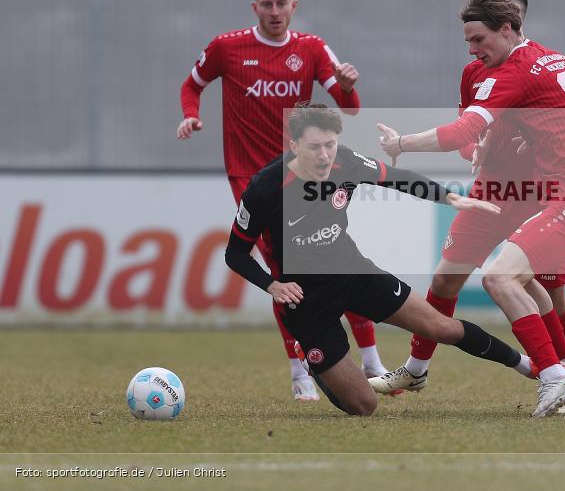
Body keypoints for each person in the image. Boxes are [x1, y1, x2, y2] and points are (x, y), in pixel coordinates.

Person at [369, 0, 565, 416]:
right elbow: (470, 137)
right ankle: (422, 369)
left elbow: (460, 130)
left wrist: (401, 143)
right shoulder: (544, 61)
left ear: (510, 26)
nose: (473, 50)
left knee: (518, 283)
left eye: (479, 39)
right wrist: (485, 148)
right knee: (462, 279)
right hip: (507, 192)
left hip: (552, 195)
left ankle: (562, 373)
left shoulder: (517, 70)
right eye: (468, 42)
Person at [224, 103, 538, 417]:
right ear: (294, 146)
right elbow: (235, 254)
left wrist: (450, 197)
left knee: (442, 328)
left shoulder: (345, 160)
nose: (324, 155)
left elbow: (396, 178)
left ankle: (527, 365)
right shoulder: (265, 187)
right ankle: (309, 357)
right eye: (314, 147)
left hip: (354, 274)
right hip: (307, 301)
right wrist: (272, 285)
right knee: (364, 406)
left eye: (330, 145)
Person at [176, 0, 388, 402]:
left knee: (334, 255)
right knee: (284, 273)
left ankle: (371, 361)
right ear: (254, 8)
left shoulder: (311, 48)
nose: (274, 11)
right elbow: (191, 85)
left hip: (304, 171)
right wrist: (190, 115)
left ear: (294, 6)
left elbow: (349, 107)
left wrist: (347, 87)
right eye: (267, 4)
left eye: (281, 4)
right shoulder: (227, 47)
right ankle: (299, 370)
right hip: (252, 178)